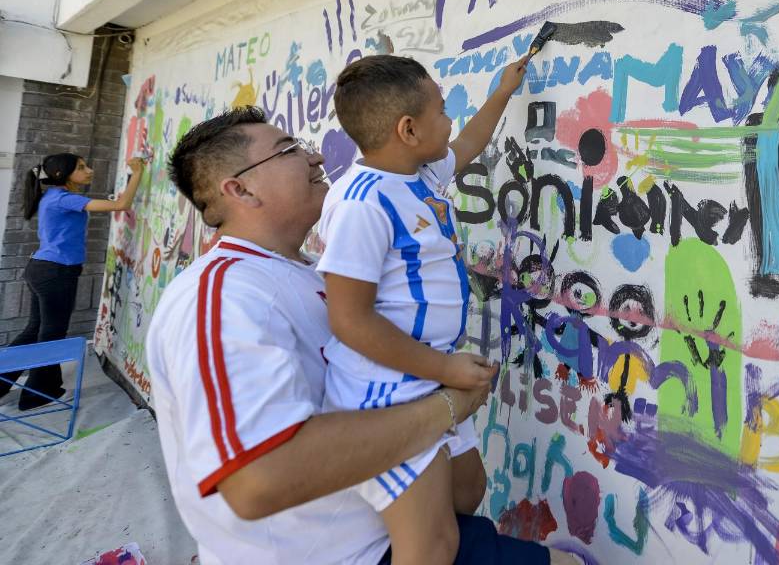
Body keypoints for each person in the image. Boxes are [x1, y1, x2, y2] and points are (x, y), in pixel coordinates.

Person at [150, 106, 568, 564]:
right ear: (241, 188)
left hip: (393, 534)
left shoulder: (313, 275)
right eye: (288, 149)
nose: (314, 157)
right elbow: (258, 478)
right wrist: (449, 405)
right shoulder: (222, 296)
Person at [316, 53, 528, 564]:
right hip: (387, 394)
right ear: (408, 129)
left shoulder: (422, 173)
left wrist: (502, 92)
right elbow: (349, 320)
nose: (449, 116)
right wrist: (447, 369)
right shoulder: (362, 203)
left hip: (428, 377)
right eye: (441, 108)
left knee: (466, 491)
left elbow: (468, 145)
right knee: (434, 547)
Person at [0, 151, 145, 409]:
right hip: (55, 272)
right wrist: (138, 173)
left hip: (43, 269)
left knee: (36, 330)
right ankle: (36, 394)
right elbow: (120, 205)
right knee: (50, 333)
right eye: (81, 167)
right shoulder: (63, 198)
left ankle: (7, 384)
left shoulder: (55, 198)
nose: (89, 170)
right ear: (62, 175)